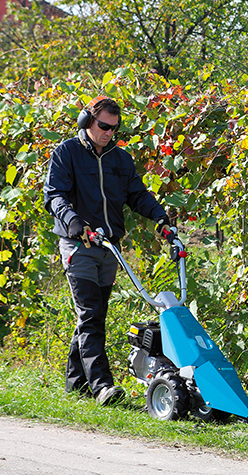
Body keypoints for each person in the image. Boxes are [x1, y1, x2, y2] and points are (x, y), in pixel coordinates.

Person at [43, 96, 171, 405]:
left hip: (109, 247)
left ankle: (75, 386)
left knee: (94, 315)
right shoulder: (67, 153)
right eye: (103, 126)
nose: (108, 133)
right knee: (90, 315)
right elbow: (54, 195)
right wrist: (72, 220)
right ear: (87, 121)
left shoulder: (120, 160)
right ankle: (102, 387)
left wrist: (160, 217)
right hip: (78, 244)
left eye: (114, 128)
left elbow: (137, 195)